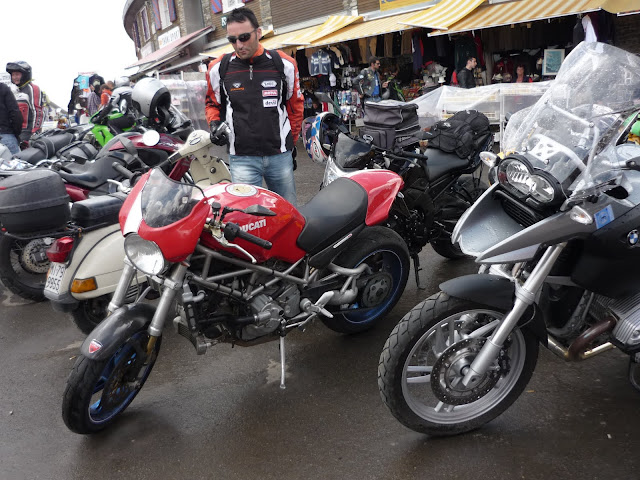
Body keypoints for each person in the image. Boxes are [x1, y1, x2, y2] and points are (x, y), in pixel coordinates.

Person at [205, 7, 303, 206]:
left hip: (279, 155)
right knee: (247, 215)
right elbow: (212, 104)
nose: (239, 45)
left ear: (258, 32)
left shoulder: (284, 64)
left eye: (244, 37)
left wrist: (289, 143)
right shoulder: (218, 68)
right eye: (232, 40)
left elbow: (295, 107)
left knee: (287, 213)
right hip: (242, 158)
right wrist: (214, 124)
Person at [6, 61, 45, 143]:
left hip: (28, 134)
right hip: (15, 133)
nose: (14, 77)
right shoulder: (13, 90)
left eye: (17, 74)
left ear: (24, 74)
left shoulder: (33, 88)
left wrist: (34, 132)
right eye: (13, 75)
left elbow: (38, 112)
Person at [0, 81, 23, 154]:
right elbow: (15, 113)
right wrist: (16, 133)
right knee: (15, 160)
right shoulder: (3, 88)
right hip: (5, 134)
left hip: (5, 134)